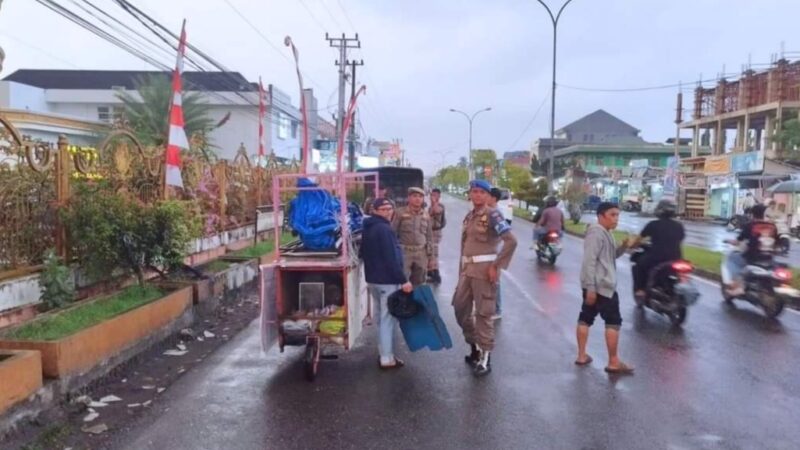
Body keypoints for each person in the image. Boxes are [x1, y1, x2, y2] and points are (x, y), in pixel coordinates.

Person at [453, 180, 517, 376]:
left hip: (484, 270)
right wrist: (461, 271)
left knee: (483, 314)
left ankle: (485, 357)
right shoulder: (470, 216)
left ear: (488, 196)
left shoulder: (493, 214)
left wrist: (496, 266)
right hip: (467, 269)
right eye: (474, 192)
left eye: (482, 192)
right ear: (470, 194)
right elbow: (465, 247)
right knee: (460, 309)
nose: (478, 195)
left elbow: (511, 241)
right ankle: (474, 347)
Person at [577, 202, 634, 375]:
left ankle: (582, 356)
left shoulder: (606, 233)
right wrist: (591, 288)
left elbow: (612, 256)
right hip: (602, 286)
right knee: (613, 322)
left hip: (596, 285)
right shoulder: (596, 233)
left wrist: (624, 247)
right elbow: (589, 261)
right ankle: (613, 361)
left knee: (586, 318)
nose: (616, 219)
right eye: (612, 215)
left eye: (617, 215)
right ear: (601, 216)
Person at [360, 198, 413, 369]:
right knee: (387, 319)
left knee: (380, 319)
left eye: (390, 208)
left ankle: (383, 352)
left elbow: (362, 253)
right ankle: (386, 358)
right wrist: (403, 280)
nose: (388, 212)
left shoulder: (368, 228)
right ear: (374, 210)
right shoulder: (385, 229)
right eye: (383, 209)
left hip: (373, 280)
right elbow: (392, 259)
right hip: (387, 281)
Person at [631, 199, 685, 299]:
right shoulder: (679, 226)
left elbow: (639, 239)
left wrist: (633, 245)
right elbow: (680, 240)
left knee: (639, 265)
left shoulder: (653, 224)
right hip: (676, 258)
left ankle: (640, 290)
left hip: (657, 258)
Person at [724, 203, 778, 295]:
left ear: (752, 214)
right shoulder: (772, 226)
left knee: (732, 258)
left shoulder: (750, 225)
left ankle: (737, 285)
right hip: (768, 258)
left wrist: (728, 241)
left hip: (752, 257)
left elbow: (738, 241)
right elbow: (776, 243)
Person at [393, 187, 434, 286]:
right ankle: (404, 302)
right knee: (403, 282)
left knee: (419, 283)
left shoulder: (426, 215)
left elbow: (429, 236)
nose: (418, 199)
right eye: (414, 196)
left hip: (421, 253)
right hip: (405, 252)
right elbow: (393, 233)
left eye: (420, 197)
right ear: (409, 198)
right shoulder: (400, 213)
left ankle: (416, 301)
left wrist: (431, 257)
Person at [488, 188, 506, 320]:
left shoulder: (496, 214)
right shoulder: (488, 211)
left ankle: (497, 309)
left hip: (493, 253)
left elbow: (504, 235)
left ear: (493, 198)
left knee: (495, 281)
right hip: (489, 253)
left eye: (486, 195)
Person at [427, 188, 446, 284]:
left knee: (433, 253)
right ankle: (430, 272)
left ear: (439, 196)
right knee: (429, 253)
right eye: (432, 195)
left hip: (435, 232)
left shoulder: (440, 206)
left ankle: (436, 275)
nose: (432, 197)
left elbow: (437, 211)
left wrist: (434, 202)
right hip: (430, 232)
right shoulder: (430, 206)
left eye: (435, 195)